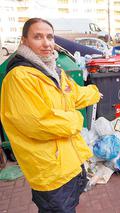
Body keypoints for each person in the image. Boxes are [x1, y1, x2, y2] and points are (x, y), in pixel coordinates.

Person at [0, 18, 101, 212]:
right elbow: (38, 123)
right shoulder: (20, 77)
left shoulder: (52, 70)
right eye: (38, 37)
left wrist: (95, 93)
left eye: (50, 37)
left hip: (69, 162)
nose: (46, 43)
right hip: (49, 170)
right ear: (24, 41)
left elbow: (73, 94)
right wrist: (77, 119)